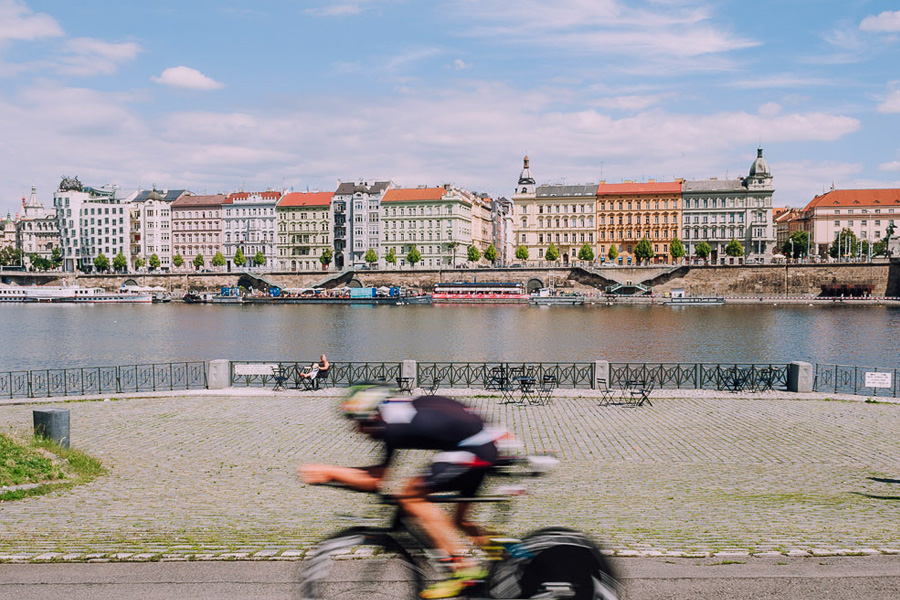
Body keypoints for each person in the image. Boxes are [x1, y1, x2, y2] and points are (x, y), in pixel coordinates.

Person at [298, 385, 501, 599]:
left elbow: (374, 481)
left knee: (411, 497)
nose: (357, 430)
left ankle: (465, 569)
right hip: (481, 439)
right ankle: (508, 557)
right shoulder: (392, 415)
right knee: (459, 523)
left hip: (474, 446)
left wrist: (328, 472)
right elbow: (379, 476)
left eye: (359, 422)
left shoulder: (392, 427)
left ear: (373, 415)